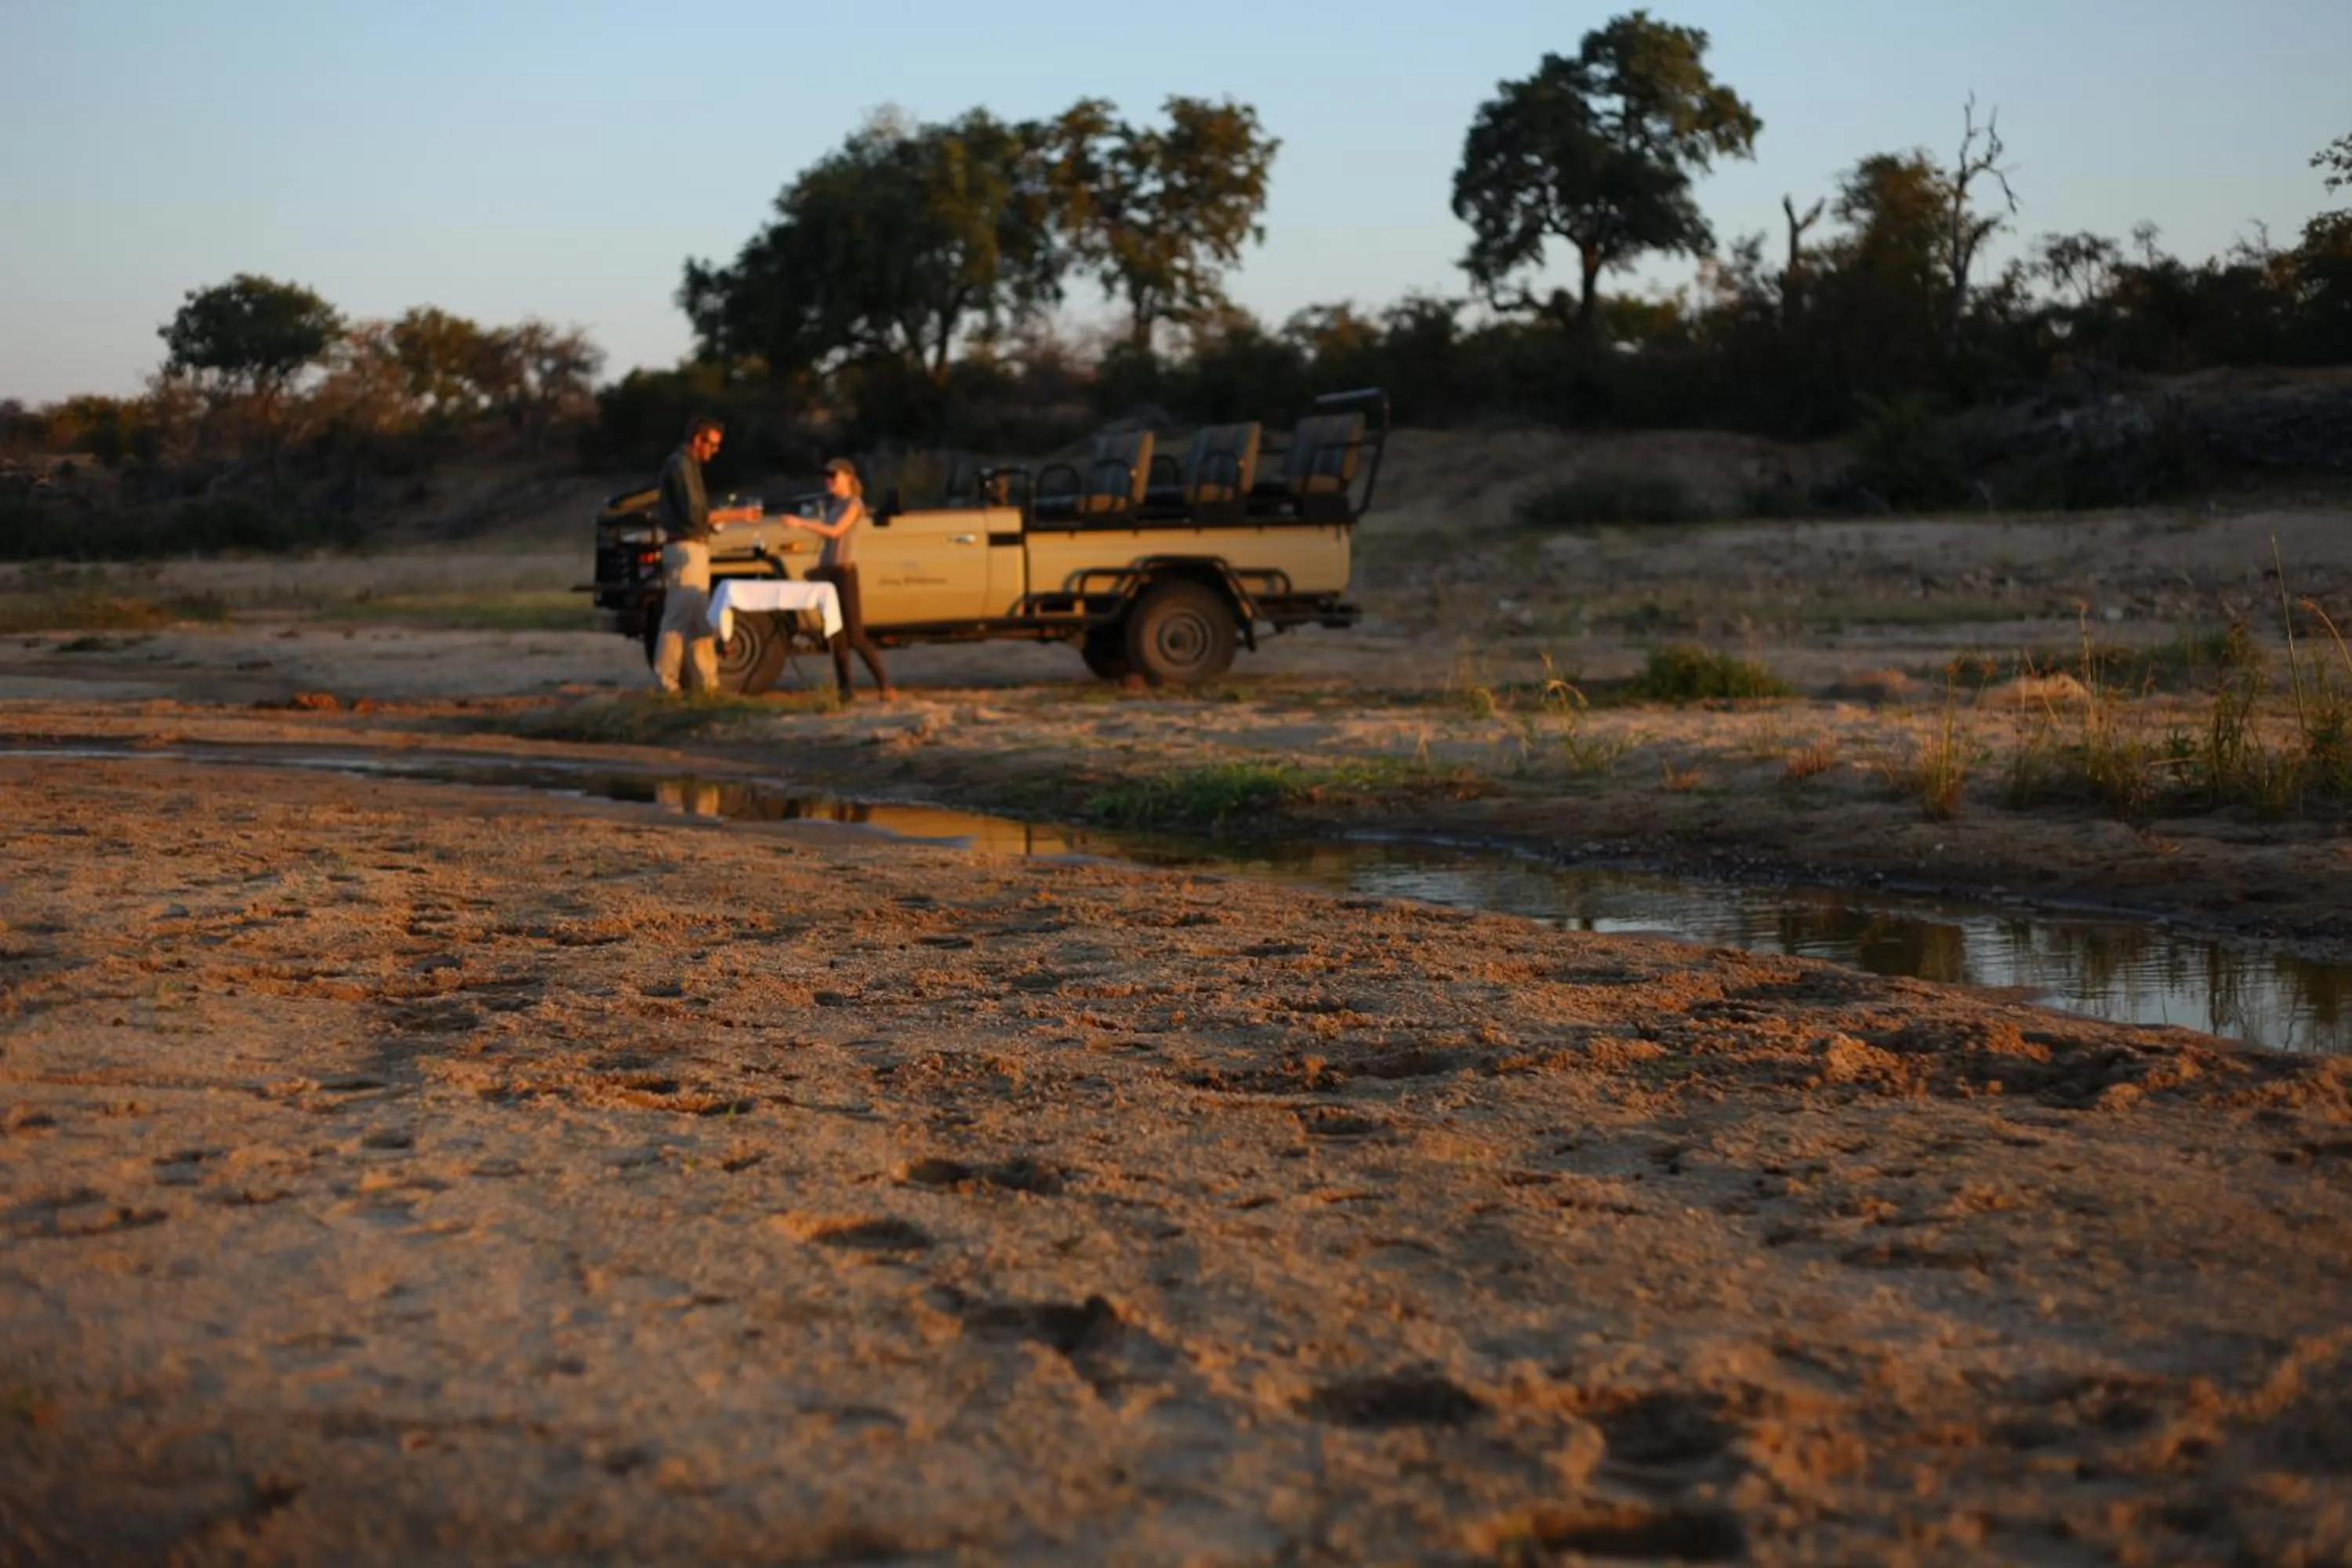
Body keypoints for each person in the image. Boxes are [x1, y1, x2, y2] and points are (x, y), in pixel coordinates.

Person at [651, 416, 760, 695]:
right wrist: (738, 515)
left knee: (700, 618)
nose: (715, 450)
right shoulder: (681, 464)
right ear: (698, 440)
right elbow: (696, 515)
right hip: (686, 548)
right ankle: (668, 684)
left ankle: (708, 684)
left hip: (694, 548)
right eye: (712, 444)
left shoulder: (687, 465)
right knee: (678, 617)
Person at [788, 457, 896, 702]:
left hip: (844, 573)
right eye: (826, 477)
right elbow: (828, 540)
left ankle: (884, 684)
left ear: (847, 477)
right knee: (836, 634)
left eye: (833, 476)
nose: (828, 482)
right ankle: (845, 689)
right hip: (829, 571)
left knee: (855, 634)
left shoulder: (853, 504)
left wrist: (802, 523)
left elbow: (837, 531)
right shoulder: (833, 505)